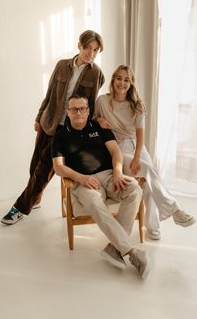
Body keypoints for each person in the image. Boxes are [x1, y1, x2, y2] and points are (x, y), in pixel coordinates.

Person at [1, 30, 105, 225]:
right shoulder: (61, 65)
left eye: (96, 50)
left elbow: (88, 107)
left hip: (66, 130)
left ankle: (21, 208)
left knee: (44, 169)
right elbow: (48, 94)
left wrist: (81, 132)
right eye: (88, 48)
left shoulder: (96, 73)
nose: (91, 53)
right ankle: (36, 198)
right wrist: (39, 117)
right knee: (34, 166)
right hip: (48, 122)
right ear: (79, 45)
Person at [51, 94, 151, 279]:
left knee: (135, 189)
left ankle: (115, 248)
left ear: (89, 111)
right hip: (83, 181)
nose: (78, 112)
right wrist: (80, 178)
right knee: (96, 203)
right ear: (68, 112)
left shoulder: (99, 127)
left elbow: (115, 152)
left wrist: (118, 172)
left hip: (109, 175)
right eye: (74, 109)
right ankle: (132, 252)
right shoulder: (60, 136)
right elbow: (58, 167)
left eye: (82, 108)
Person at [95, 65, 196, 240]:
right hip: (116, 148)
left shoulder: (137, 105)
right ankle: (174, 210)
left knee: (150, 179)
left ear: (131, 83)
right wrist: (99, 119)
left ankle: (153, 226)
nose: (122, 82)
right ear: (113, 80)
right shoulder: (102, 101)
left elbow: (140, 133)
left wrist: (136, 156)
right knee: (148, 171)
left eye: (127, 79)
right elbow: (92, 119)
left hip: (136, 146)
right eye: (119, 78)